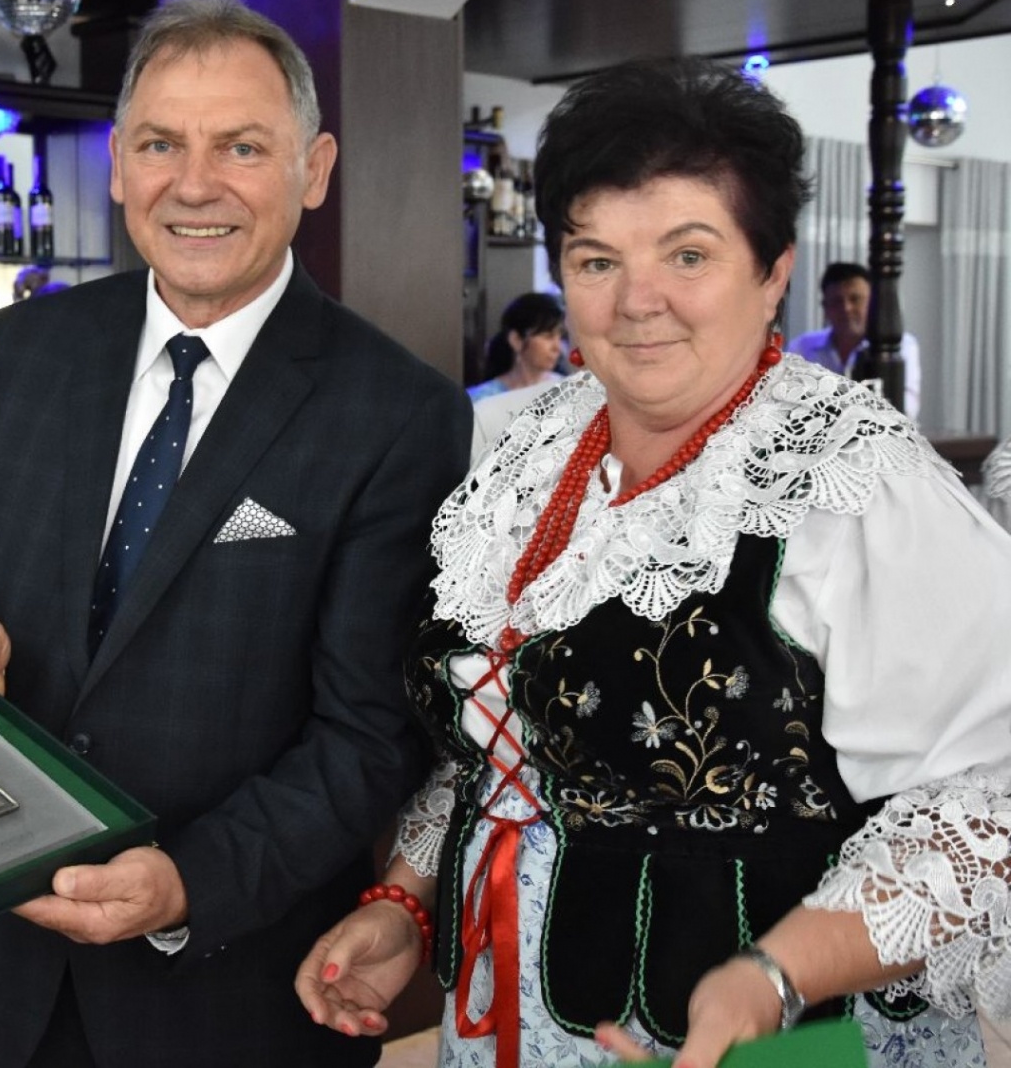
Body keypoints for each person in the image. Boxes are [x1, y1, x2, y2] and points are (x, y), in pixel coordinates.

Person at [297, 58, 1011, 1068]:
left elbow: (991, 797)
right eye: (596, 260)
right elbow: (506, 740)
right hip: (507, 1010)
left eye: (688, 253)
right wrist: (406, 897)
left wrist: (777, 972)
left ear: (773, 270)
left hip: (769, 1041)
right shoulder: (527, 448)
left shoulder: (849, 480)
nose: (638, 301)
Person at [0, 0, 473, 1068]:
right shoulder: (21, 351)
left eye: (242, 147)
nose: (194, 183)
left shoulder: (397, 412)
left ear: (314, 169)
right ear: (119, 165)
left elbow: (371, 732)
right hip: (8, 968)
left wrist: (186, 882)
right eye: (161, 143)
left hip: (236, 991)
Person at [788, 261, 921, 420]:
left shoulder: (900, 345)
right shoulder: (802, 347)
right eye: (837, 301)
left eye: (855, 299)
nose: (846, 308)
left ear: (873, 303)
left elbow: (905, 409)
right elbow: (789, 408)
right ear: (825, 308)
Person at [467, 291, 565, 402]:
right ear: (516, 340)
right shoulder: (483, 398)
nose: (557, 347)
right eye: (548, 336)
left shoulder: (567, 392)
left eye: (560, 337)